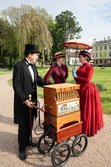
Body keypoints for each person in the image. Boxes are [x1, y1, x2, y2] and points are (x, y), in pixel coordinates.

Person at [12, 44, 48, 161]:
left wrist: (48, 85)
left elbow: (37, 79)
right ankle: (21, 148)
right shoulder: (19, 66)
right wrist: (24, 99)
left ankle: (27, 140)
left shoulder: (33, 66)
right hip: (23, 101)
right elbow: (16, 85)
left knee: (31, 122)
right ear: (30, 54)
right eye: (36, 54)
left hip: (33, 100)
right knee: (23, 125)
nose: (37, 56)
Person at [72, 50, 104, 136]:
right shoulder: (81, 67)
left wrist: (77, 76)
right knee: (79, 108)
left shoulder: (90, 67)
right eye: (79, 56)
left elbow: (87, 80)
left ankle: (86, 128)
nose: (79, 58)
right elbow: (77, 79)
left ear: (85, 58)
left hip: (87, 90)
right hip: (79, 88)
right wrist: (75, 76)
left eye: (80, 57)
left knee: (86, 109)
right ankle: (79, 125)